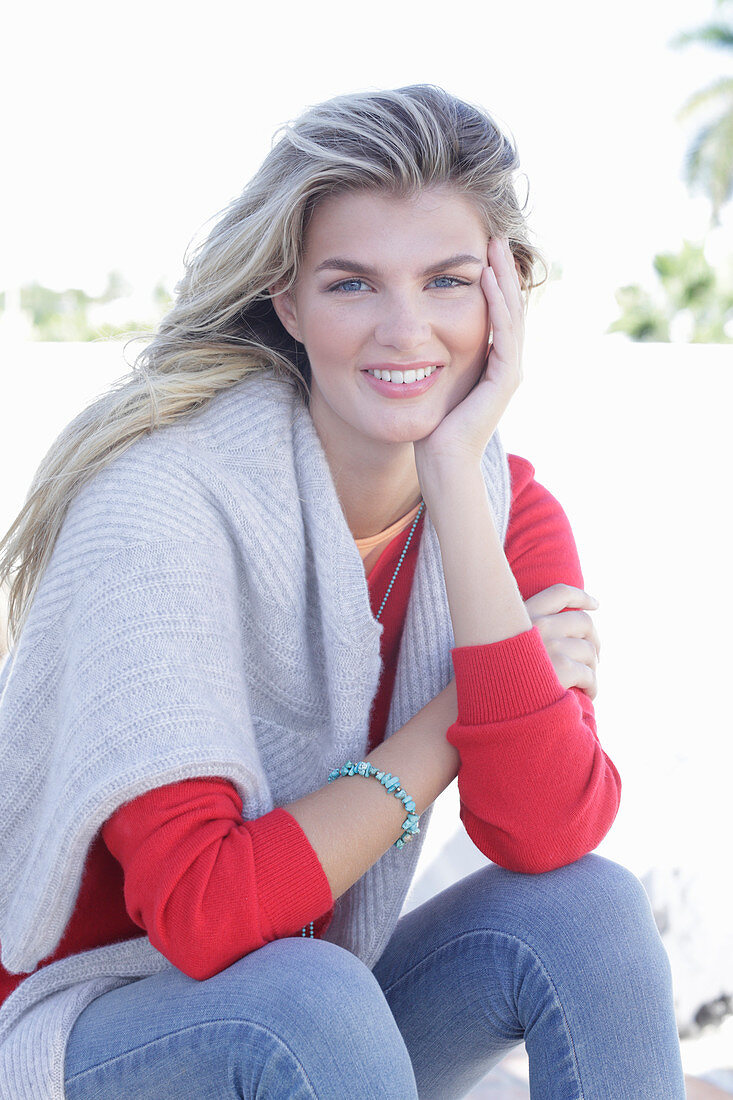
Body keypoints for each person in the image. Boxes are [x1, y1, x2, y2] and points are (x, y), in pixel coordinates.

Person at [0, 85, 686, 1099]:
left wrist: (454, 476)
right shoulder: (161, 504)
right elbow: (200, 910)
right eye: (353, 284)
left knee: (588, 906)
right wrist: (456, 716)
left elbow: (538, 830)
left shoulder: (498, 505)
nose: (404, 330)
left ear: (507, 295)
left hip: (327, 1014)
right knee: (306, 996)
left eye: (448, 280)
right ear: (288, 300)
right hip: (90, 1026)